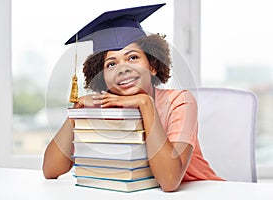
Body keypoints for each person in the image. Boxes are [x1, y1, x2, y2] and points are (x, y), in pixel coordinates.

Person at [42, 3, 223, 192]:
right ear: (102, 78)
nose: (123, 68)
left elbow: (169, 181)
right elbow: (50, 170)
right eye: (111, 64)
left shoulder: (180, 102)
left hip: (204, 191)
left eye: (133, 58)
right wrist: (77, 113)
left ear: (153, 66)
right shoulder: (103, 109)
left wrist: (146, 104)